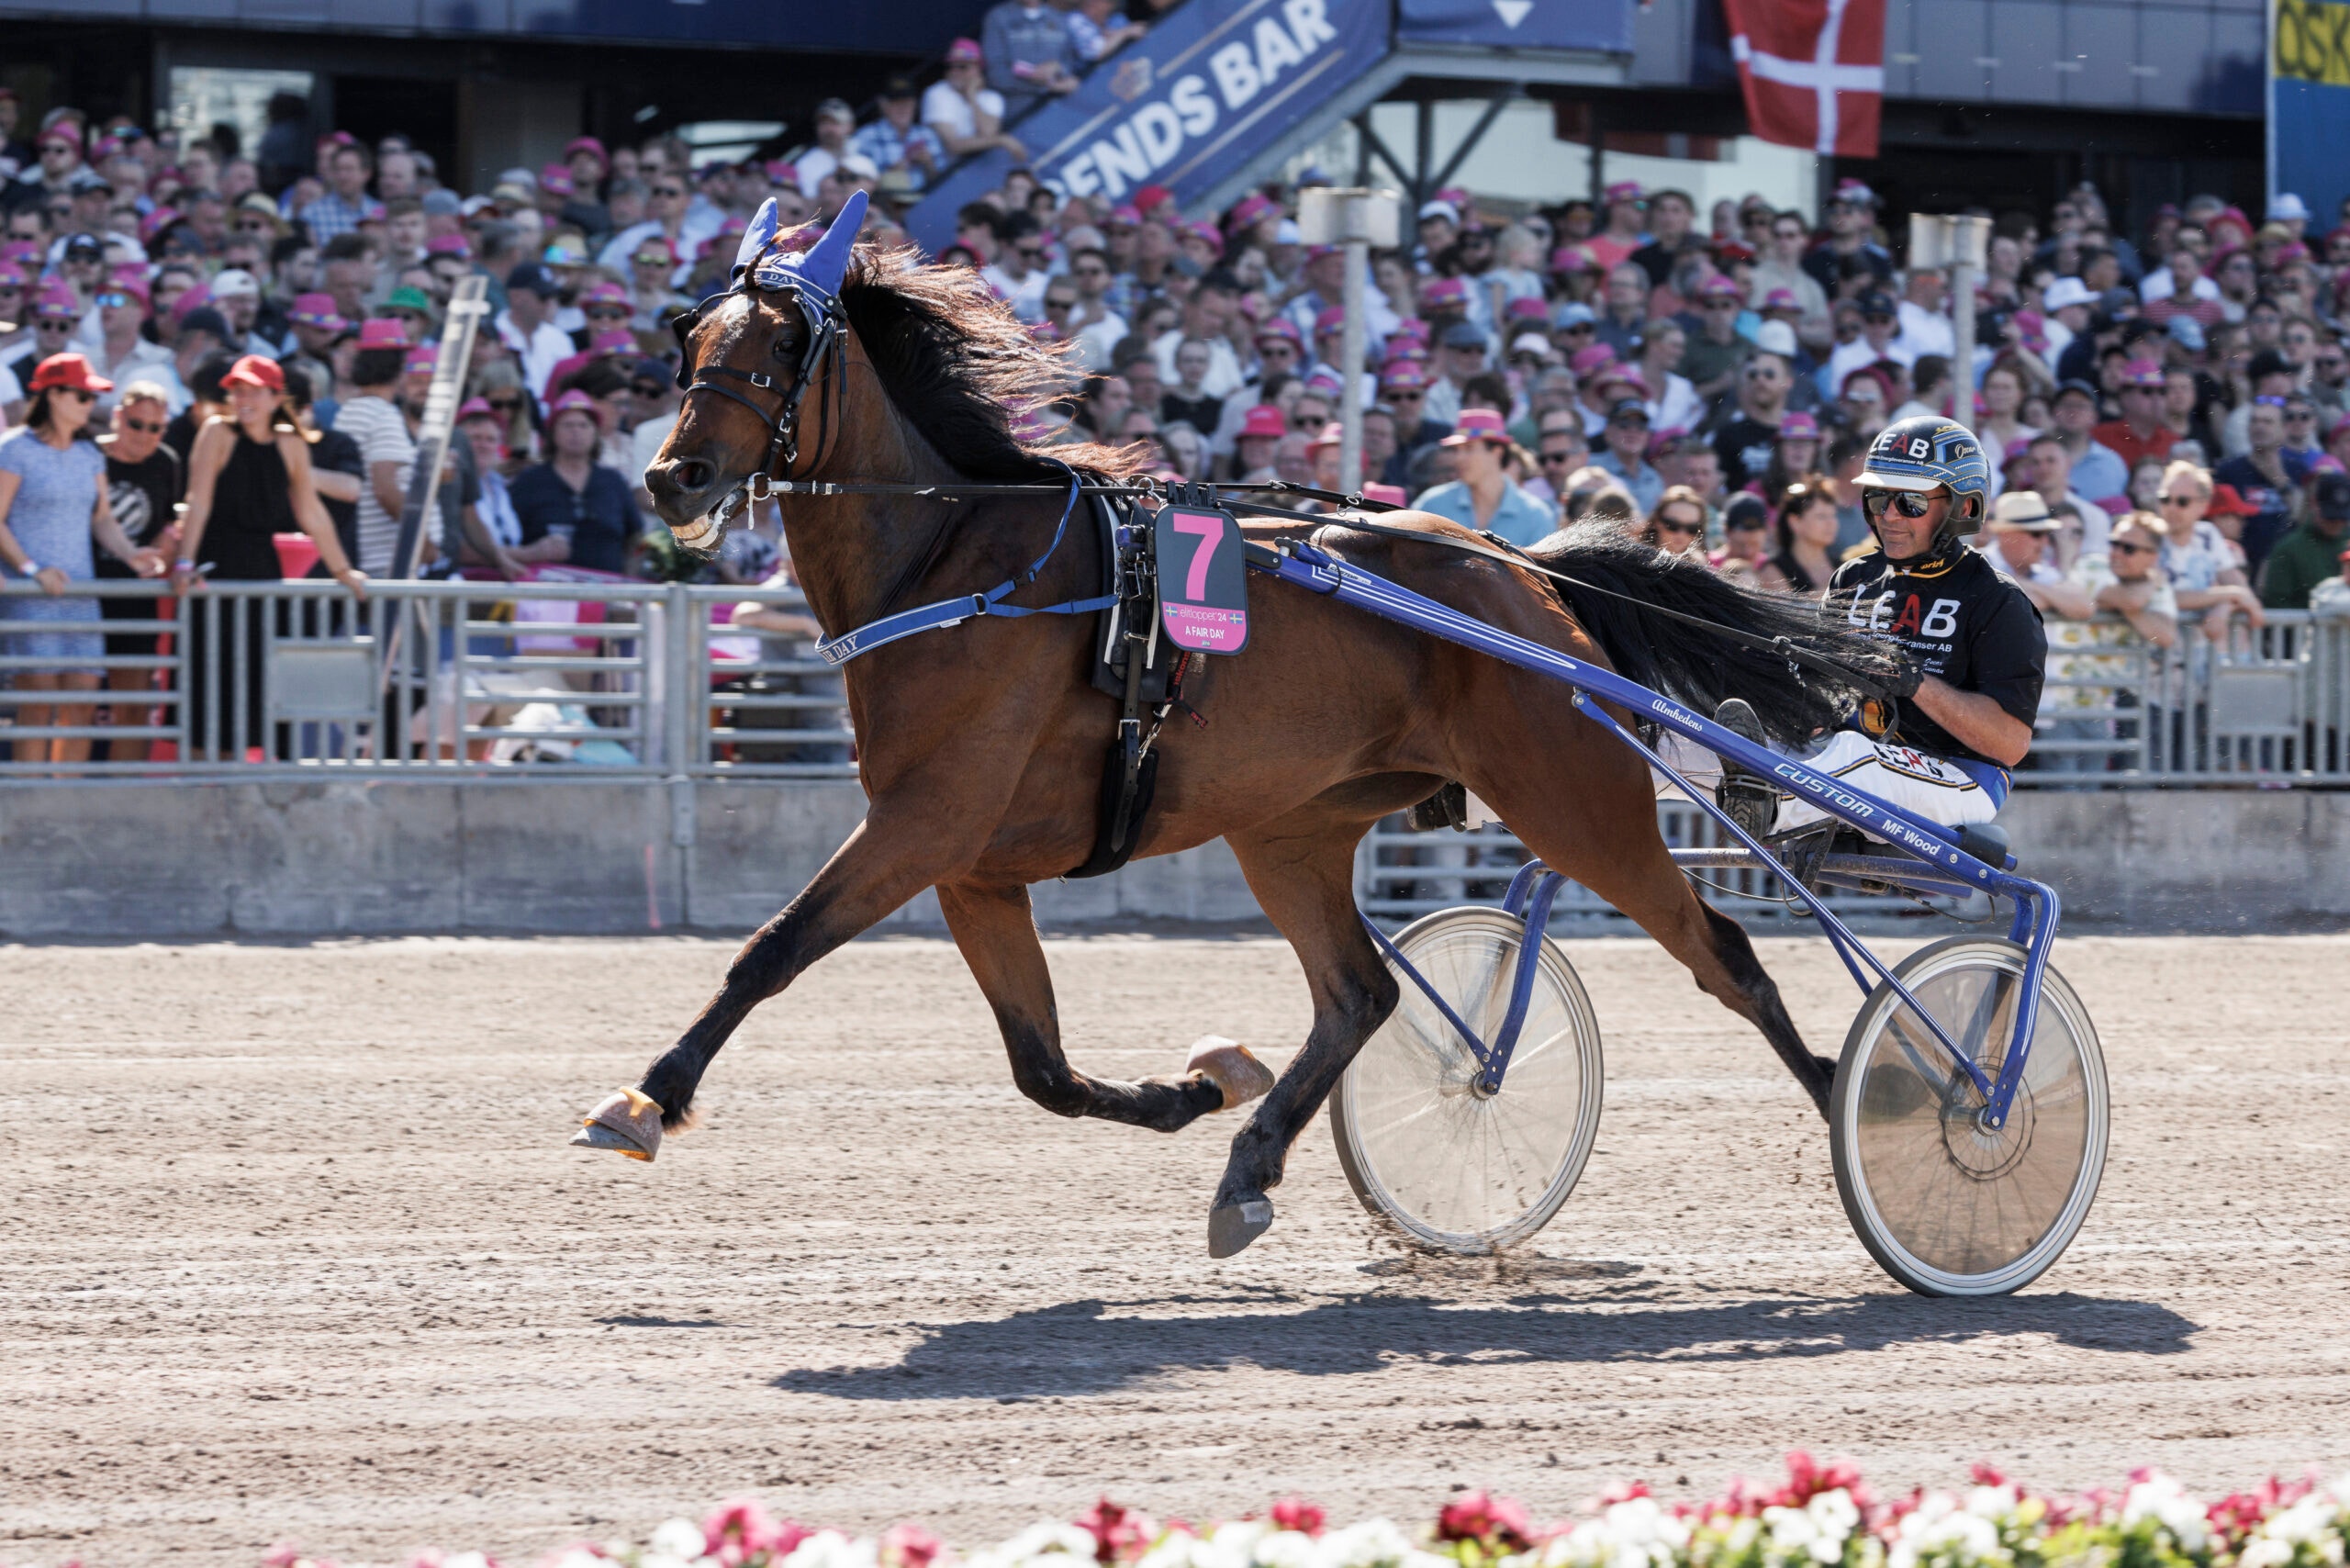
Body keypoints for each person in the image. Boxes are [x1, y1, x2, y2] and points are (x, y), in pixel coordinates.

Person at [1710, 416, 2046, 839]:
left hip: (1961, 776)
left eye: (1911, 502)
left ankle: (1766, 804)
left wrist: (1915, 681)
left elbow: (2010, 745)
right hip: (1850, 756)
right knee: (1703, 736)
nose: (1888, 515)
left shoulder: (1999, 601)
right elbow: (1817, 709)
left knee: (1857, 756)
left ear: (1963, 507)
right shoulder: (1852, 579)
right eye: (1877, 498)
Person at [170, 354, 367, 759]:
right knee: (213, 689)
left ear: (276, 398)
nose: (244, 399)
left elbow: (311, 512)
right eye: (238, 390)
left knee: (259, 688)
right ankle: (209, 792)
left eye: (253, 391)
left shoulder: (291, 444)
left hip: (262, 574)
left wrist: (342, 569)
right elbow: (199, 501)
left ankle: (248, 796)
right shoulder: (216, 433)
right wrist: (185, 563)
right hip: (216, 567)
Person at [0, 354, 166, 765]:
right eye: (81, 394)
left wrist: (132, 554)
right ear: (52, 395)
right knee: (37, 701)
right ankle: (29, 803)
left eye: (91, 396)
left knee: (82, 702)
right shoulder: (14, 450)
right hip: (32, 595)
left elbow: (103, 519)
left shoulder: (89, 454)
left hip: (80, 594)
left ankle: (66, 802)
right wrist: (31, 569)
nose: (89, 403)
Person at [96, 382, 185, 760]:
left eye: (155, 428)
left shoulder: (166, 462)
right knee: (71, 704)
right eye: (136, 424)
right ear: (118, 417)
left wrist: (165, 552)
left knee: (133, 706)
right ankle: (60, 793)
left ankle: (125, 792)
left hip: (137, 596)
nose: (144, 435)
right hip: (84, 593)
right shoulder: (90, 456)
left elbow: (171, 521)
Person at [507, 389, 643, 574]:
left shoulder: (613, 481)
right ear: (553, 433)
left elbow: (635, 536)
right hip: (545, 591)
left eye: (583, 425)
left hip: (608, 591)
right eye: (568, 425)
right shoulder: (529, 481)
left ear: (595, 433)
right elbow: (508, 537)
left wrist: (629, 583)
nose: (576, 432)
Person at [1409, 408, 1557, 546]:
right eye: (1456, 450)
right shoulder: (1431, 505)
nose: (1458, 458)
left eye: (1469, 449)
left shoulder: (1535, 515)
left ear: (1497, 453)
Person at [2261, 469, 2350, 610]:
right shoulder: (2289, 549)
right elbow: (2276, 602)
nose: (2338, 523)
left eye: (2343, 517)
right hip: (2307, 630)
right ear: (2315, 504)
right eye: (2331, 517)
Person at [1755, 477, 1839, 595]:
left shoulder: (1842, 566)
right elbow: (1787, 611)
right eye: (1821, 516)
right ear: (1794, 522)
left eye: (1833, 515)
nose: (1831, 523)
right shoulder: (1774, 570)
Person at [1640, 486, 1708, 559]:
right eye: (1673, 525)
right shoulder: (1636, 557)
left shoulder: (1701, 566)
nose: (1681, 534)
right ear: (1657, 522)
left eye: (1692, 528)